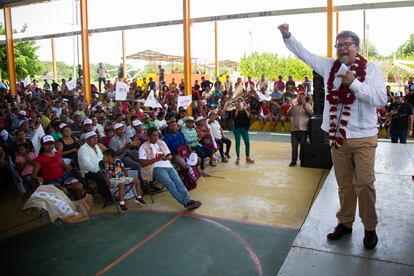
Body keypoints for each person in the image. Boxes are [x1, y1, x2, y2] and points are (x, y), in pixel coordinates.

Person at [279, 23, 387, 249]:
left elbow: (380, 99)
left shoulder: (372, 70)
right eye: (339, 45)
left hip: (364, 137)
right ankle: (345, 223)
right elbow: (304, 54)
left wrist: (355, 84)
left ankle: (370, 228)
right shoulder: (329, 67)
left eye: (347, 45)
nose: (342, 49)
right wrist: (288, 36)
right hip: (337, 137)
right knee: (344, 184)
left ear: (357, 47)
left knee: (365, 184)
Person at [139, 127, 201, 211]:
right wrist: (155, 159)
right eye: (153, 136)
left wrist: (166, 158)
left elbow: (170, 156)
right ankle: (187, 202)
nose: (156, 137)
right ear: (148, 136)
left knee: (179, 183)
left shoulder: (161, 142)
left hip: (168, 165)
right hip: (156, 168)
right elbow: (142, 162)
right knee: (171, 184)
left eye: (157, 135)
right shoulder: (143, 146)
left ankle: (189, 201)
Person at [32, 135, 84, 200]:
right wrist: (38, 178)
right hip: (50, 181)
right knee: (63, 191)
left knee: (79, 186)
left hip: (63, 178)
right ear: (42, 146)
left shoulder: (57, 154)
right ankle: (66, 208)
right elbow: (34, 175)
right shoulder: (39, 159)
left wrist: (67, 167)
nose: (50, 146)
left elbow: (63, 165)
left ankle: (78, 204)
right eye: (47, 144)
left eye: (51, 144)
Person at [287, 92, 313, 166]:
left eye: (302, 97)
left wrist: (305, 108)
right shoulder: (293, 105)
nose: (301, 99)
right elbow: (288, 114)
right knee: (294, 147)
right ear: (297, 98)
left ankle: (302, 160)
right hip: (294, 130)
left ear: (304, 98)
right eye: (299, 97)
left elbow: (311, 114)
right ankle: (293, 161)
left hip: (304, 130)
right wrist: (292, 107)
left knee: (302, 147)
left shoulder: (308, 105)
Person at [231, 97, 254, 165]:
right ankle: (238, 157)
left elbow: (249, 116)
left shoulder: (245, 109)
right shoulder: (234, 110)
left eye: (240, 102)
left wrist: (245, 110)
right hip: (237, 129)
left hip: (244, 128)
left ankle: (247, 157)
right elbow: (234, 118)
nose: (239, 103)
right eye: (238, 102)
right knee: (238, 143)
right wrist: (238, 109)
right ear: (236, 103)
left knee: (247, 143)